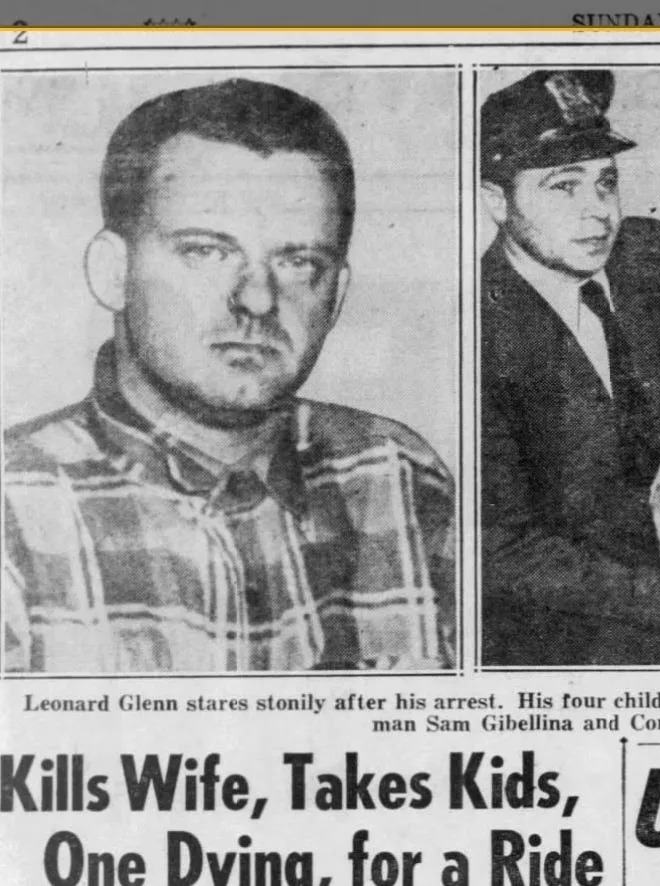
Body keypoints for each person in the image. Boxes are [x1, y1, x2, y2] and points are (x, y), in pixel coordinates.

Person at [2, 78, 455, 672]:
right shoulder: (17, 510)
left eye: (298, 262)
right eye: (206, 251)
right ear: (114, 272)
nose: (260, 300)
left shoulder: (399, 476)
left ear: (337, 294)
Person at [477, 70, 660, 665]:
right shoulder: (479, 330)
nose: (598, 212)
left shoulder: (654, 258)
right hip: (578, 627)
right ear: (495, 202)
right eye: (563, 187)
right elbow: (498, 547)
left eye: (606, 183)